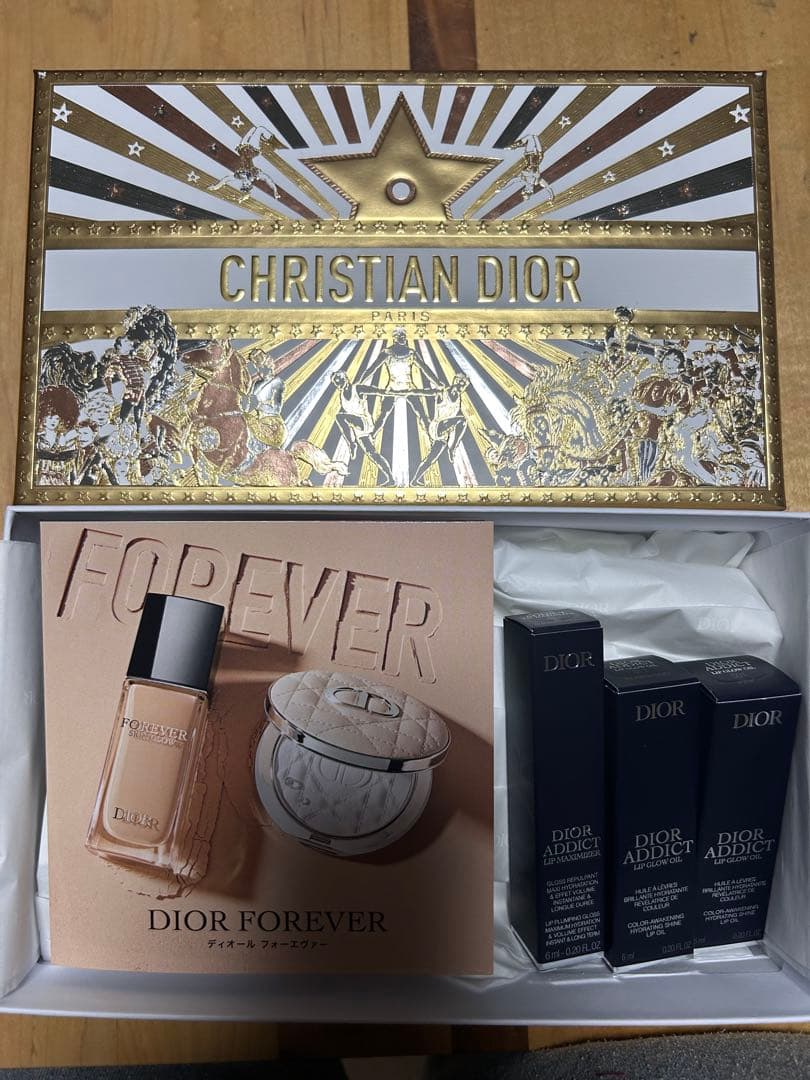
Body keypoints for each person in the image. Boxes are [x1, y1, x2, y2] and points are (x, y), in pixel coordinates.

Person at [331, 371, 393, 484]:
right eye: (336, 383)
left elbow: (374, 390)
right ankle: (391, 479)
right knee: (373, 454)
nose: (339, 385)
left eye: (340, 381)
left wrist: (386, 393)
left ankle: (352, 444)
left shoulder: (357, 389)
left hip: (364, 422)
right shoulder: (342, 395)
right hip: (357, 430)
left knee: (339, 417)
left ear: (345, 378)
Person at [412, 374, 470, 485]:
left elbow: (453, 419)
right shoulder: (443, 392)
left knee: (431, 459)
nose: (461, 388)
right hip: (436, 426)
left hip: (444, 433)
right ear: (456, 381)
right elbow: (425, 392)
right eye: (461, 384)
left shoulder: (458, 398)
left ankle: (414, 480)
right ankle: (452, 448)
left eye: (464, 386)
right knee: (462, 420)